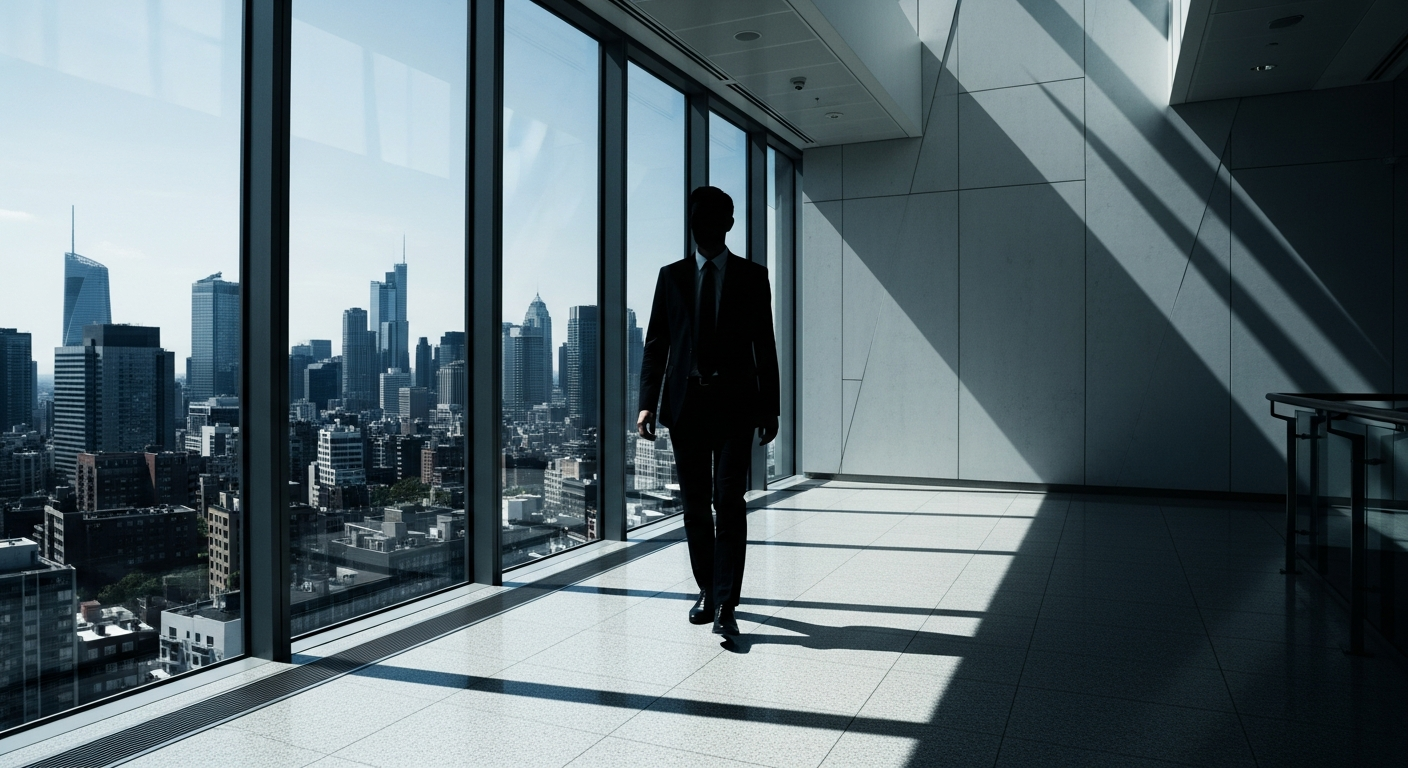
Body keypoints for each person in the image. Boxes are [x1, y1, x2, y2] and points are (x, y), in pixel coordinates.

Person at [637, 185, 780, 636]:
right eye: (696, 220)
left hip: (736, 406)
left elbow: (765, 345)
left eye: (711, 220)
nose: (701, 227)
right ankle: (707, 591)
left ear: (728, 224)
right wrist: (646, 403)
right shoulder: (671, 277)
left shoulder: (752, 277)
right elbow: (656, 343)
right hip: (687, 406)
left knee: (729, 501)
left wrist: (770, 408)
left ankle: (726, 603)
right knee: (696, 505)